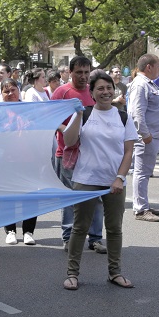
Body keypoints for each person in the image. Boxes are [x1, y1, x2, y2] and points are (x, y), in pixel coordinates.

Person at [61, 71, 135, 291]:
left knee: (114, 228)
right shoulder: (84, 114)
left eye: (109, 87)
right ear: (91, 93)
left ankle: (115, 272)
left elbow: (128, 151)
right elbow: (69, 140)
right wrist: (77, 115)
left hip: (115, 181)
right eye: (100, 88)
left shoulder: (123, 116)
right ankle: (72, 274)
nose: (105, 92)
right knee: (80, 227)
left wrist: (120, 178)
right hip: (86, 178)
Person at [51, 56, 106, 253]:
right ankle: (68, 237)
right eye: (79, 72)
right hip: (67, 153)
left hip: (93, 154)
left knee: (97, 197)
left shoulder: (95, 91)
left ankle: (96, 238)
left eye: (86, 72)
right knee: (70, 197)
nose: (83, 77)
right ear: (70, 72)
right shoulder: (62, 92)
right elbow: (50, 118)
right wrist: (68, 131)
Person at [126, 54, 159, 222]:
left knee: (145, 172)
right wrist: (145, 135)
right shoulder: (140, 84)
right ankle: (140, 209)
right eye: (158, 66)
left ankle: (142, 205)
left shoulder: (147, 84)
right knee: (142, 172)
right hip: (147, 137)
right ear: (149, 67)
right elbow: (137, 113)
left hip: (153, 136)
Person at [0, 79, 41, 245]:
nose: (10, 94)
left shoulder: (29, 110)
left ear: (19, 91)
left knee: (30, 197)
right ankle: (10, 230)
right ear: (1, 94)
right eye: (6, 91)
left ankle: (28, 231)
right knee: (7, 197)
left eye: (13, 90)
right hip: (5, 161)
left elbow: (39, 130)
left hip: (29, 160)